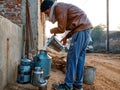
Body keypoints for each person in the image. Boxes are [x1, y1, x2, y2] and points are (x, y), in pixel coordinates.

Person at [41, 0, 92, 90]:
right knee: (80, 59)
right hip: (84, 31)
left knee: (72, 58)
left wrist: (52, 30)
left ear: (49, 7)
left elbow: (61, 28)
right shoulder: (62, 7)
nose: (47, 15)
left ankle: (67, 86)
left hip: (81, 31)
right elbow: (74, 25)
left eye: (46, 13)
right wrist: (66, 37)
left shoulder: (58, 7)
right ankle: (78, 85)